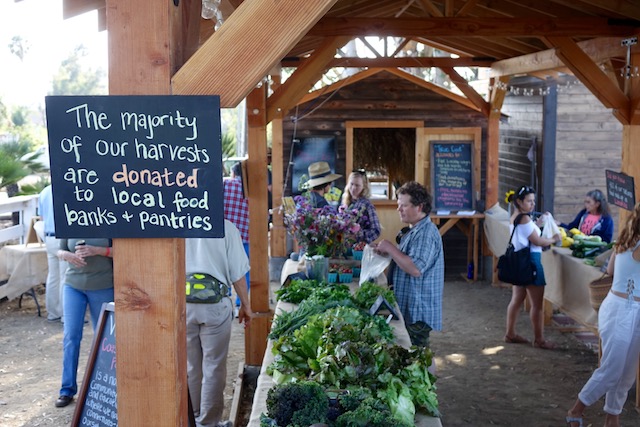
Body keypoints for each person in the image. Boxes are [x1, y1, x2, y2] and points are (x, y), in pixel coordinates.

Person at [565, 202, 640, 427]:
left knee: (627, 372)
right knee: (611, 368)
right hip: (621, 308)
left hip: (630, 307)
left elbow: (610, 271)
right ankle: (576, 410)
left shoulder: (624, 241)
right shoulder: (630, 243)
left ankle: (612, 418)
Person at [185, 219, 253, 427]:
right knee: (214, 366)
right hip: (215, 305)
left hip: (183, 304)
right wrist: (246, 306)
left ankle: (193, 418)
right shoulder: (226, 227)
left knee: (191, 366)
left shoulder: (177, 223)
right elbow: (238, 275)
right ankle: (208, 423)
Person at [372, 181, 444, 347]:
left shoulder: (425, 234)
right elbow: (405, 259)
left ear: (419, 207)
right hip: (410, 306)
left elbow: (415, 268)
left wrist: (391, 248)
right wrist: (387, 252)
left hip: (417, 309)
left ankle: (431, 374)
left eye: (403, 205)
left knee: (418, 355)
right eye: (399, 205)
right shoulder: (415, 229)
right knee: (415, 353)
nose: (399, 209)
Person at [54, 238, 114, 408]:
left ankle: (105, 390)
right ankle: (67, 390)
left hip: (103, 286)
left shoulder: (107, 220)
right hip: (73, 286)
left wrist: (99, 250)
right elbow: (59, 250)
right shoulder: (72, 218)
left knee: (104, 341)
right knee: (71, 337)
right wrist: (67, 255)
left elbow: (123, 252)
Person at [504, 186, 561, 349]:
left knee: (516, 300)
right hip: (531, 261)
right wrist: (553, 239)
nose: (533, 204)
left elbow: (525, 233)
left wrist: (539, 222)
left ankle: (510, 333)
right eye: (529, 201)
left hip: (518, 261)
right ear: (519, 202)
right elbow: (538, 241)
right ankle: (539, 339)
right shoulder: (524, 219)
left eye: (533, 201)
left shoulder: (516, 217)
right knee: (537, 304)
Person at [223, 162, 250, 313]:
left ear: (234, 173)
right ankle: (241, 301)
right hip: (246, 235)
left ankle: (226, 296)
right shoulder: (251, 189)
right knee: (243, 269)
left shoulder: (226, 184)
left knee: (225, 268)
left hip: (224, 237)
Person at [38, 184, 67, 322]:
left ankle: (53, 313)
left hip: (49, 236)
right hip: (62, 236)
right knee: (65, 276)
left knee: (53, 276)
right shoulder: (65, 188)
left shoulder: (44, 192)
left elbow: (41, 218)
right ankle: (65, 314)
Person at [341, 169, 381, 244]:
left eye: (357, 185)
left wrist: (358, 235)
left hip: (358, 249)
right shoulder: (345, 202)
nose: (353, 188)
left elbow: (376, 230)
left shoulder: (367, 205)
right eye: (351, 184)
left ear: (364, 187)